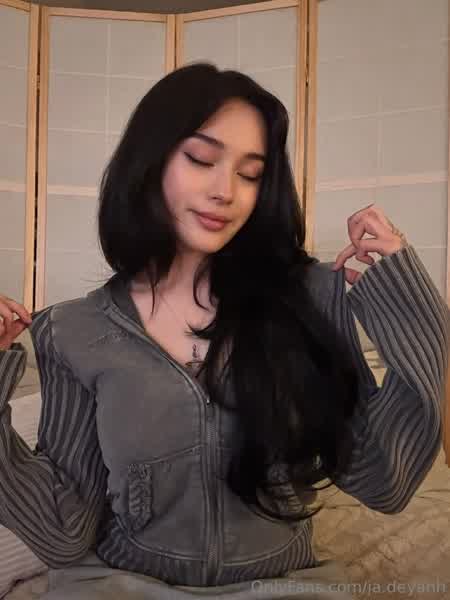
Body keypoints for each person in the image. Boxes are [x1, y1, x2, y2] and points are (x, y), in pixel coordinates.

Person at [0, 62, 448, 600]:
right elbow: (62, 532)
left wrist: (410, 305)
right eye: (201, 159)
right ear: (149, 161)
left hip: (281, 585)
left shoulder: (307, 299)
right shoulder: (73, 329)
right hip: (123, 585)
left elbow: (384, 482)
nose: (226, 191)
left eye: (250, 173)